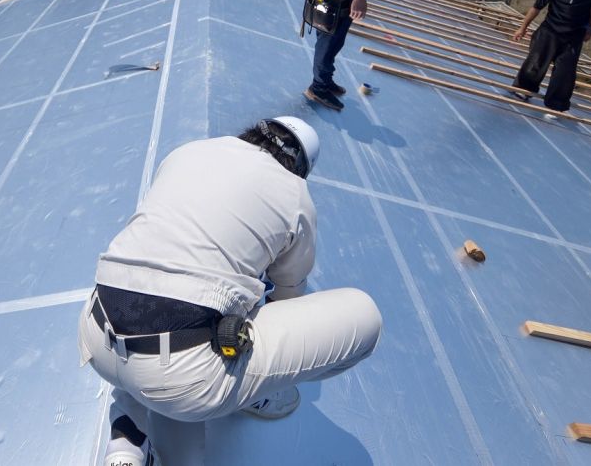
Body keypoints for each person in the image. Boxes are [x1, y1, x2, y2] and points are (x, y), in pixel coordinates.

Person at [78, 117, 383, 466]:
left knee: (149, 309)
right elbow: (286, 299)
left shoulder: (188, 152)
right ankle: (255, 394)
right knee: (365, 314)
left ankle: (126, 445)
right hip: (180, 377)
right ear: (301, 167)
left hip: (96, 329)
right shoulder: (295, 192)